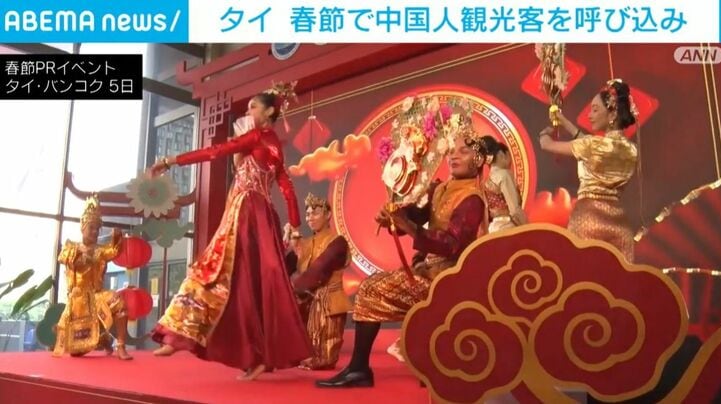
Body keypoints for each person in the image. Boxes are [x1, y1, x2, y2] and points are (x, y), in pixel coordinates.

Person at [148, 82, 310, 381]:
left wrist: (170, 161)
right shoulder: (275, 145)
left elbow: (216, 151)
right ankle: (256, 357)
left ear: (269, 111)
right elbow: (287, 189)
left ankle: (180, 333)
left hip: (245, 212)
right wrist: (295, 224)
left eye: (253, 107)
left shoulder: (257, 137)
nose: (248, 112)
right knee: (249, 287)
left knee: (213, 270)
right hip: (264, 218)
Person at [315, 133, 489, 388]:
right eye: (452, 150)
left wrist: (406, 225)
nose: (453, 155)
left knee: (370, 289)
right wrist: (396, 216)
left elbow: (451, 244)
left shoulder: (472, 198)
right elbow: (419, 215)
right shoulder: (443, 188)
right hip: (429, 272)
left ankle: (359, 369)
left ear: (479, 159)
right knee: (371, 288)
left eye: (463, 151)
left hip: (448, 282)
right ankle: (358, 369)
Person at [539, 78, 638, 262]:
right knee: (618, 277)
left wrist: (545, 134)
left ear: (612, 114)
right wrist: (565, 122)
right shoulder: (631, 150)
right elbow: (591, 146)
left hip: (588, 218)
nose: (590, 115)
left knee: (583, 273)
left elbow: (547, 145)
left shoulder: (591, 145)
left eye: (595, 110)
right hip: (620, 225)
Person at [53, 195, 132, 360]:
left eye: (97, 229)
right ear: (82, 227)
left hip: (96, 296)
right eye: (91, 228)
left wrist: (117, 238)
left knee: (119, 302)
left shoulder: (100, 250)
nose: (95, 232)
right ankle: (104, 340)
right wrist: (82, 257)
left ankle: (121, 345)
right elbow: (63, 258)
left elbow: (114, 251)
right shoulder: (71, 247)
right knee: (76, 351)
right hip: (78, 300)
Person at [285, 193, 351, 370]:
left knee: (323, 359)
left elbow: (319, 270)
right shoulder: (304, 243)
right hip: (306, 301)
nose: (310, 218)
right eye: (307, 214)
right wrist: (287, 245)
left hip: (328, 304)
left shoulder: (338, 242)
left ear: (328, 215)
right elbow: (282, 268)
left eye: (315, 213)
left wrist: (292, 290)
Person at [480, 135, 527, 233]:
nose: (510, 162)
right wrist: (528, 229)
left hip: (493, 229)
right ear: (501, 154)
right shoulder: (504, 175)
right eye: (509, 156)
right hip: (508, 227)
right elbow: (515, 211)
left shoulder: (487, 181)